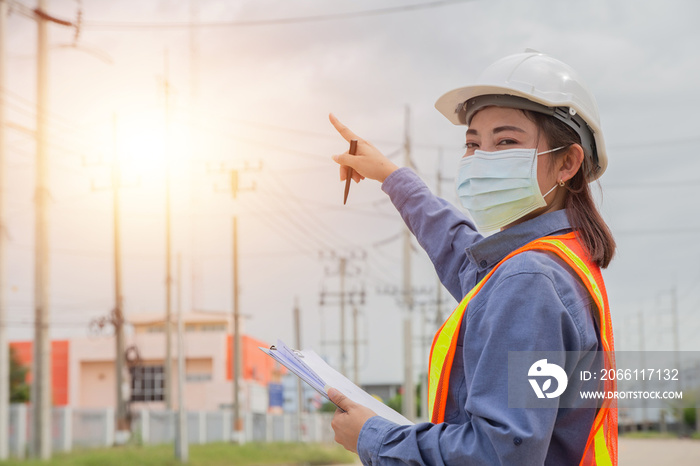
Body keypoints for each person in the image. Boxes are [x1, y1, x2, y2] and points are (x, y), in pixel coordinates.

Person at [327, 51, 618, 465]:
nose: (482, 159)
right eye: (472, 143)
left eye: (505, 142)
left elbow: (498, 454)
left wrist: (374, 437)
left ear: (566, 163)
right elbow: (464, 255)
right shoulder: (554, 263)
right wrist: (392, 177)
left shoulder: (530, 279)